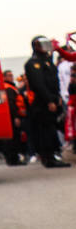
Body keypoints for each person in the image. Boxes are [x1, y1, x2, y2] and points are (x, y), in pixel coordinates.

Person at [24, 36, 70, 168]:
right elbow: (39, 84)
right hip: (42, 102)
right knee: (45, 131)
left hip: (54, 99)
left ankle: (52, 155)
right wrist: (49, 100)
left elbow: (55, 81)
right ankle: (48, 158)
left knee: (52, 129)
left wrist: (58, 97)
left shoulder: (47, 61)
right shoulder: (33, 63)